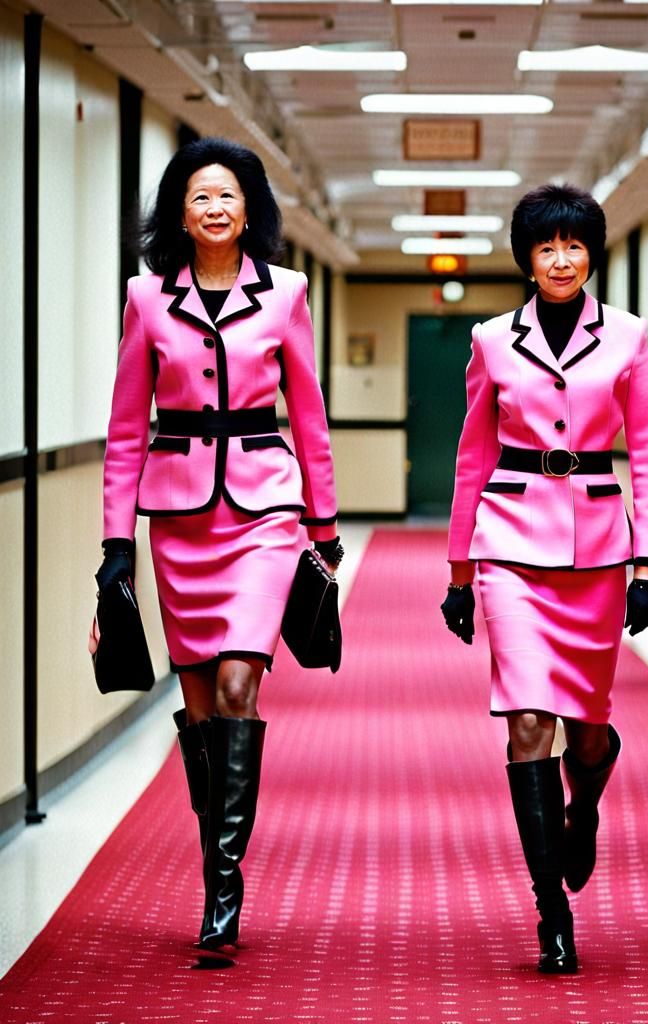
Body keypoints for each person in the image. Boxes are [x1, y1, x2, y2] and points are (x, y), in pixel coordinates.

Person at [97, 136, 342, 962]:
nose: (214, 208)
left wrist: (325, 524)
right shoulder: (146, 298)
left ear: (250, 209)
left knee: (241, 680)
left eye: (228, 195)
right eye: (199, 195)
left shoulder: (287, 294)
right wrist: (114, 549)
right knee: (201, 709)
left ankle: (224, 894)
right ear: (179, 211)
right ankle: (216, 865)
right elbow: (127, 430)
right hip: (180, 518)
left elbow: (307, 412)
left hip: (265, 509)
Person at [441, 184, 648, 974]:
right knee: (527, 720)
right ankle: (551, 912)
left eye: (574, 245)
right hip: (510, 540)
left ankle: (585, 808)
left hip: (600, 548)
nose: (562, 259)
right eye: (546, 248)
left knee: (589, 726)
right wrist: (460, 569)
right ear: (527, 260)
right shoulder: (494, 340)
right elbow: (473, 455)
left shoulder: (631, 338)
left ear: (591, 253)